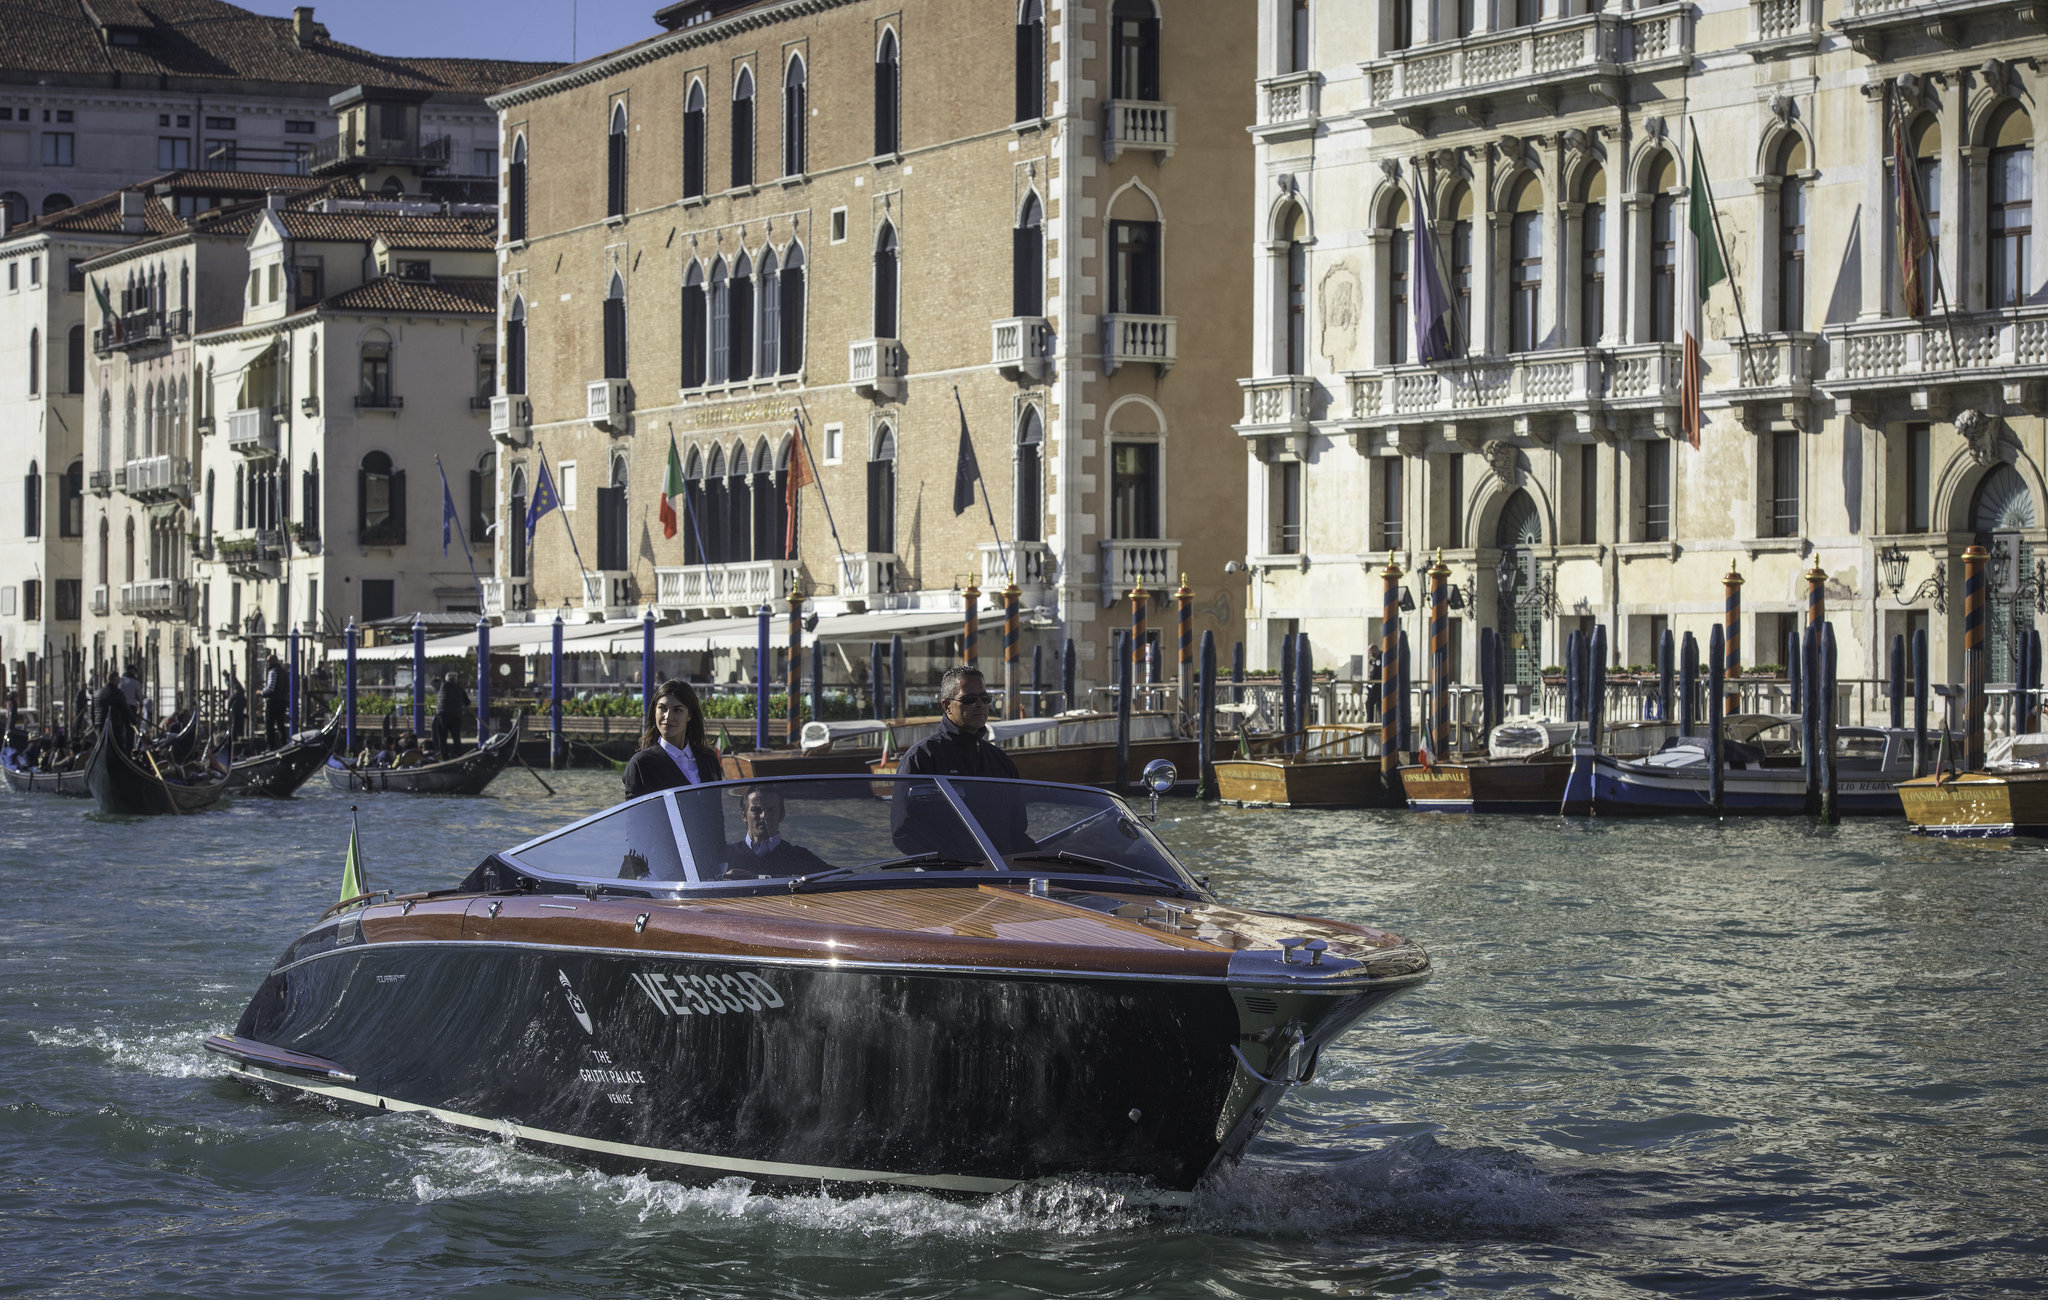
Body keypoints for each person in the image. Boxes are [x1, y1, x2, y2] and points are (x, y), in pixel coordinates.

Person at [896, 667, 1020, 779]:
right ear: (946, 706)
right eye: (969, 699)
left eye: (985, 698)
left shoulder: (1000, 760)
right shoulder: (921, 758)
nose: (979, 704)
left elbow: (1015, 804)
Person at [623, 678, 722, 797]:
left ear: (690, 715)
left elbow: (717, 811)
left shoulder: (709, 759)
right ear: (655, 710)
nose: (668, 716)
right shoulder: (641, 764)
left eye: (677, 710)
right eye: (662, 708)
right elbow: (636, 814)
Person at [718, 786, 831, 879]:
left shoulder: (799, 857)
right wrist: (721, 880)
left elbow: (842, 876)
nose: (764, 816)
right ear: (743, 815)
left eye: (771, 810)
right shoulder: (724, 856)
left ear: (781, 814)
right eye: (756, 810)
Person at [434, 671, 470, 757]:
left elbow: (433, 682)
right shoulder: (459, 688)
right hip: (455, 716)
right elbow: (467, 702)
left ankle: (444, 756)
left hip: (442, 715)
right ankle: (458, 755)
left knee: (442, 738)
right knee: (456, 737)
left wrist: (438, 678)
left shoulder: (440, 686)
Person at [260, 653, 288, 750]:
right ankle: (284, 745)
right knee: (281, 725)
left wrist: (261, 693)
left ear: (271, 663)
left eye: (268, 662)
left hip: (273, 702)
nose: (267, 664)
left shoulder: (273, 672)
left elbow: (271, 688)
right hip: (282, 702)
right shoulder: (284, 672)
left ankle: (271, 746)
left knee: (269, 725)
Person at [224, 674, 247, 745]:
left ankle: (233, 738)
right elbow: (245, 703)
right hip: (239, 711)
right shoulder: (241, 696)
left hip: (234, 711)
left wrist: (228, 711)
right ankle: (239, 735)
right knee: (239, 724)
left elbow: (229, 703)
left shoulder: (234, 695)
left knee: (234, 724)